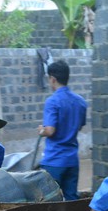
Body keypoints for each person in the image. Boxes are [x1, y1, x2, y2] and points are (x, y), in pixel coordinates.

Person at [37, 60, 87, 201]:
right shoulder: (80, 101)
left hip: (54, 160)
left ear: (52, 79)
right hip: (72, 160)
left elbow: (50, 131)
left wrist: (42, 130)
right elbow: (80, 126)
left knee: (49, 200)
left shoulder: (52, 101)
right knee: (72, 198)